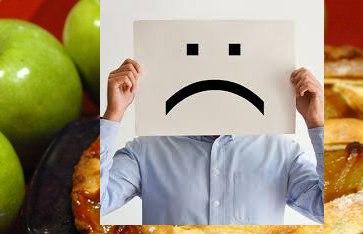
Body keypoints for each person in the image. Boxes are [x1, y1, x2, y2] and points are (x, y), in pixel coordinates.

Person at [100, 59, 324, 225]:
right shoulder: (145, 151)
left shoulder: (283, 153)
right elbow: (97, 202)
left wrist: (317, 123)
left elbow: (326, 209)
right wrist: (113, 114)